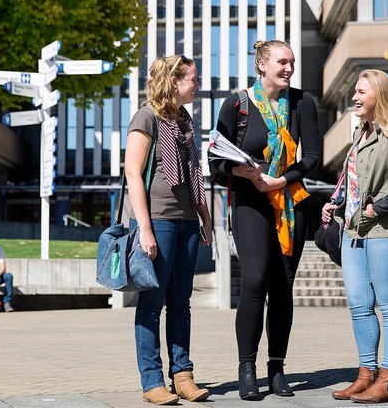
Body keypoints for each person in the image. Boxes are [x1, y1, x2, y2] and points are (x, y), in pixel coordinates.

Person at [209, 40, 320, 399]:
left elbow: (313, 157)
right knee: (255, 281)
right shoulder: (237, 104)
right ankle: (247, 368)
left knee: (282, 285)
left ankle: (277, 368)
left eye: (292, 62)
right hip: (250, 202)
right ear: (262, 66)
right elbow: (215, 163)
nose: (288, 68)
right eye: (281, 62)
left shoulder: (302, 103)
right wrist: (244, 173)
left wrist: (282, 180)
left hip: (291, 202)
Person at [322, 69, 388, 403]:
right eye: (355, 91)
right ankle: (366, 375)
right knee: (359, 306)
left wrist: (376, 209)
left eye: (361, 92)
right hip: (354, 233)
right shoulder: (360, 133)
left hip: (387, 231)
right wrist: (337, 204)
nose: (354, 97)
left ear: (379, 96)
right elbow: (358, 182)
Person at [124, 54, 213, 405]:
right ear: (174, 81)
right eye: (193, 77)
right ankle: (152, 381)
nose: (198, 83)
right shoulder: (146, 118)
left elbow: (194, 174)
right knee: (151, 302)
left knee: (181, 302)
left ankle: (184, 375)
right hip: (157, 221)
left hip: (188, 221)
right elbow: (133, 173)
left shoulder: (185, 120)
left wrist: (205, 217)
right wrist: (144, 229)